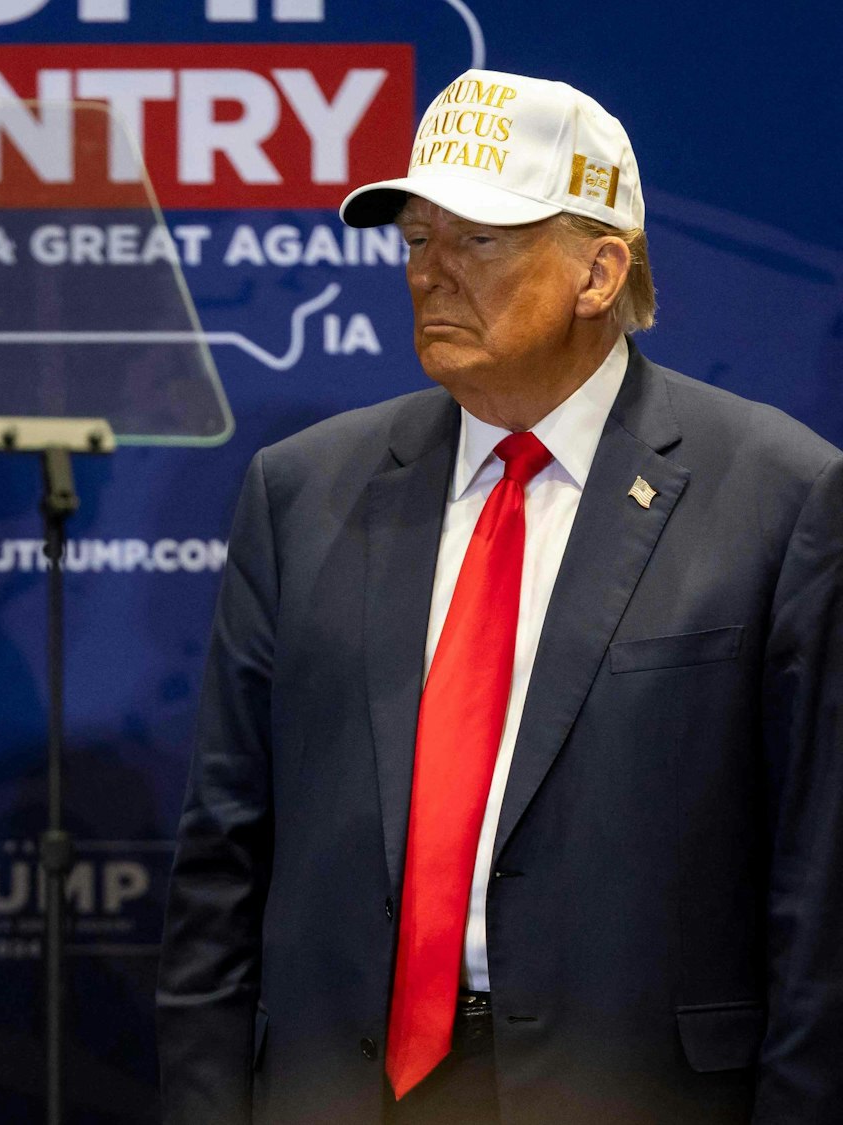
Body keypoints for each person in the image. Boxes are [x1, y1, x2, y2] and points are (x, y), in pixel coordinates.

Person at [156, 70, 843, 1124]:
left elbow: (821, 888)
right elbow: (221, 859)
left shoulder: (779, 494)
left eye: (477, 240)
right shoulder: (300, 491)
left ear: (598, 271)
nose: (429, 272)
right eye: (415, 239)